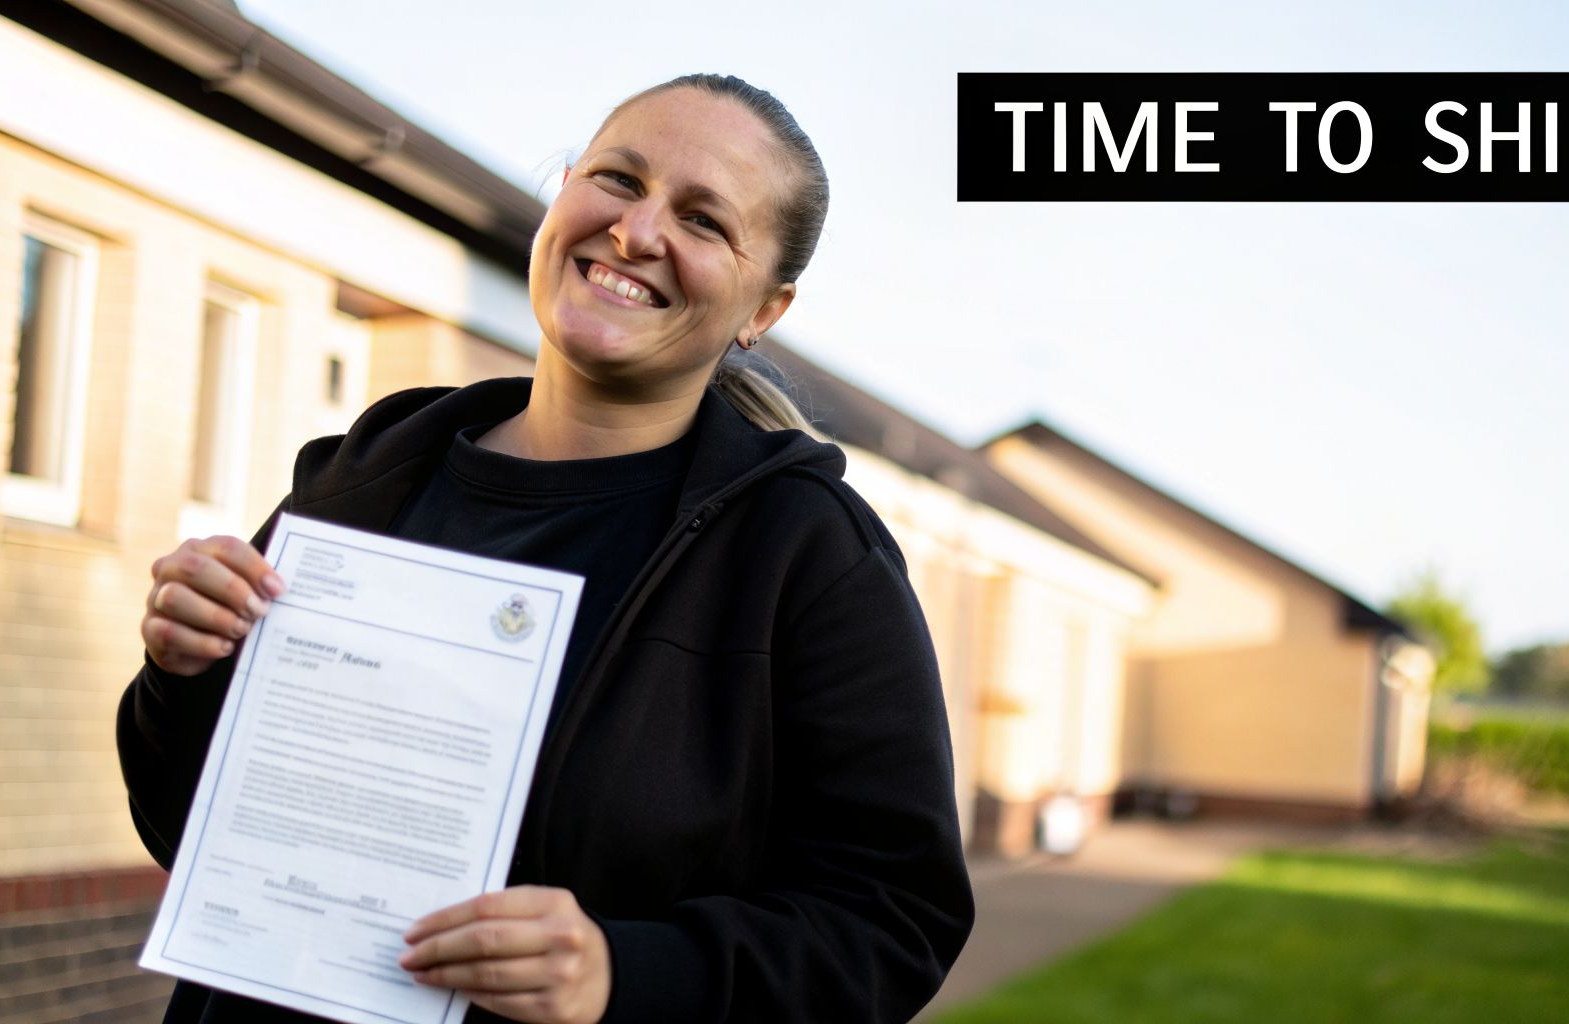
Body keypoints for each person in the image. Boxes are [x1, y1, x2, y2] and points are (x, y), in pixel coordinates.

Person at [116, 73, 974, 1024]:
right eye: (618, 179)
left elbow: (895, 923)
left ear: (763, 311)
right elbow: (184, 831)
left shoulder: (805, 556)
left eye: (702, 221)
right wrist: (184, 673)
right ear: (563, 192)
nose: (638, 232)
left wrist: (627, 972)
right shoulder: (367, 480)